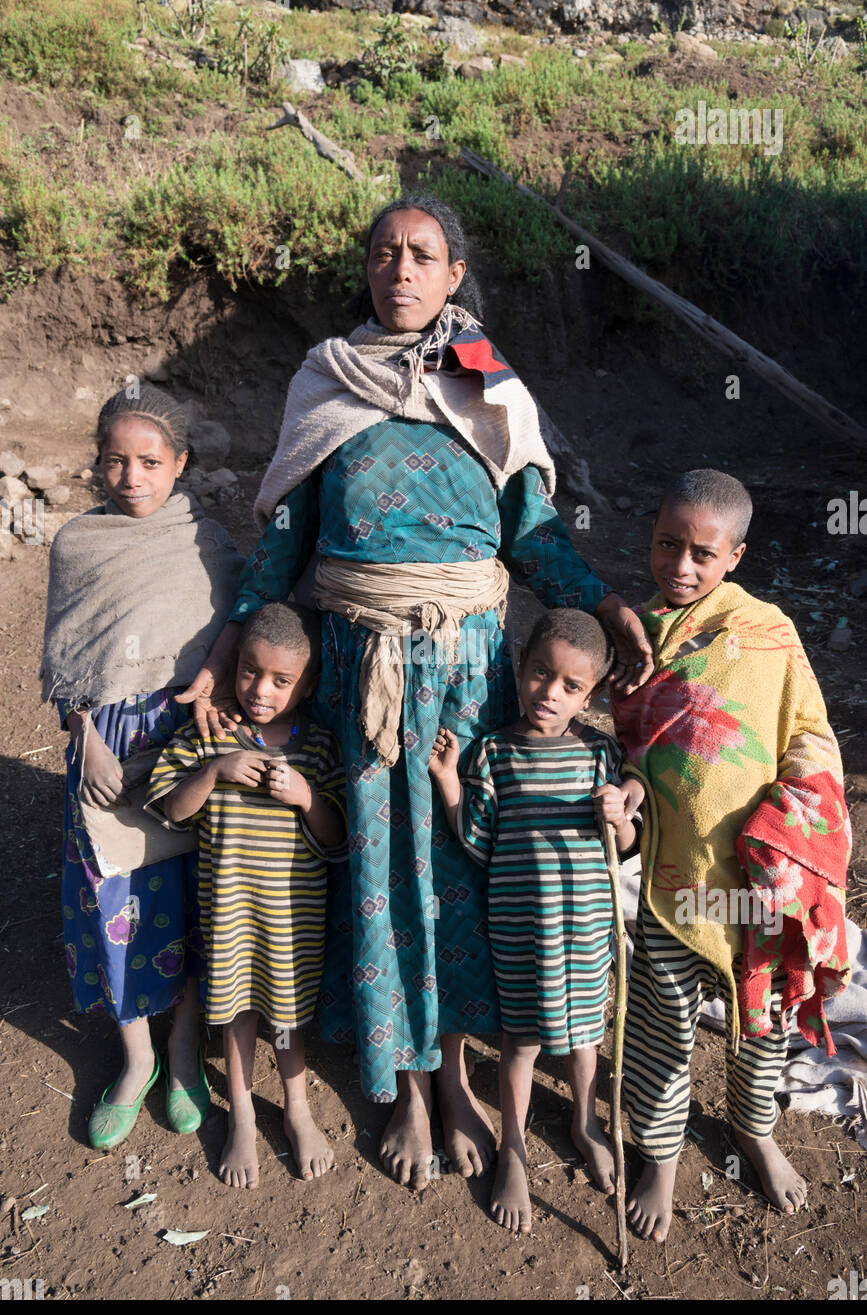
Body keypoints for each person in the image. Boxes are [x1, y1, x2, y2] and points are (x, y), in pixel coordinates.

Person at [177, 195, 654, 1192]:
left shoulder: (486, 379)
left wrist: (598, 600)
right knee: (377, 862)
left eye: (422, 254)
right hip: (361, 672)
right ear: (368, 269)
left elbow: (530, 530)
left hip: (473, 668)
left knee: (458, 858)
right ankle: (400, 1077)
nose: (401, 268)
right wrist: (231, 638)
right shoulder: (326, 379)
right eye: (384, 253)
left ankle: (456, 1078)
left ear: (452, 273)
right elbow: (286, 541)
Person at [611, 469, 851, 1241]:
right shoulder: (637, 634)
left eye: (701, 555)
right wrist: (625, 799)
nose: (680, 566)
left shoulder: (767, 633)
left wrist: (795, 824)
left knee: (763, 1020)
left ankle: (754, 1129)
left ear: (735, 557)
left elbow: (808, 730)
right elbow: (629, 743)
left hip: (755, 877)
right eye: (666, 545)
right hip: (669, 879)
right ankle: (658, 1154)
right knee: (661, 1023)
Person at [40, 385, 243, 1149]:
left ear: (180, 464)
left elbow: (232, 633)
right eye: (116, 461)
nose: (132, 477)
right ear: (98, 465)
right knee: (110, 894)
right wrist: (83, 733)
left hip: (183, 742)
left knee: (194, 892)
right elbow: (68, 660)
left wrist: (210, 693)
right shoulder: (77, 545)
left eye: (150, 462)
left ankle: (186, 1050)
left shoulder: (207, 542)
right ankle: (135, 1059)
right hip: (104, 747)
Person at [429, 608, 644, 1231]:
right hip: (521, 932)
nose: (550, 693)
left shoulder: (602, 755)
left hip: (585, 930)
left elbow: (626, 847)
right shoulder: (494, 752)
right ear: (520, 667)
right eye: (540, 674)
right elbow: (477, 842)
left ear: (592, 693)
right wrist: (449, 783)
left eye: (571, 686)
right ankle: (515, 1151)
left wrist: (620, 815)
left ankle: (585, 1119)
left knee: (583, 1036)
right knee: (520, 1042)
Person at [146, 603, 346, 1188]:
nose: (261, 690)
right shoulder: (212, 737)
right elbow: (169, 809)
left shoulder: (320, 749)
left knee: (286, 1018)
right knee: (235, 1013)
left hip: (292, 921)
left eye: (282, 681)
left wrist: (307, 795)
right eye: (249, 672)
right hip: (228, 916)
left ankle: (297, 1109)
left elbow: (337, 840)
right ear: (233, 669)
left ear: (307, 686)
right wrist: (216, 772)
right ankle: (241, 1111)